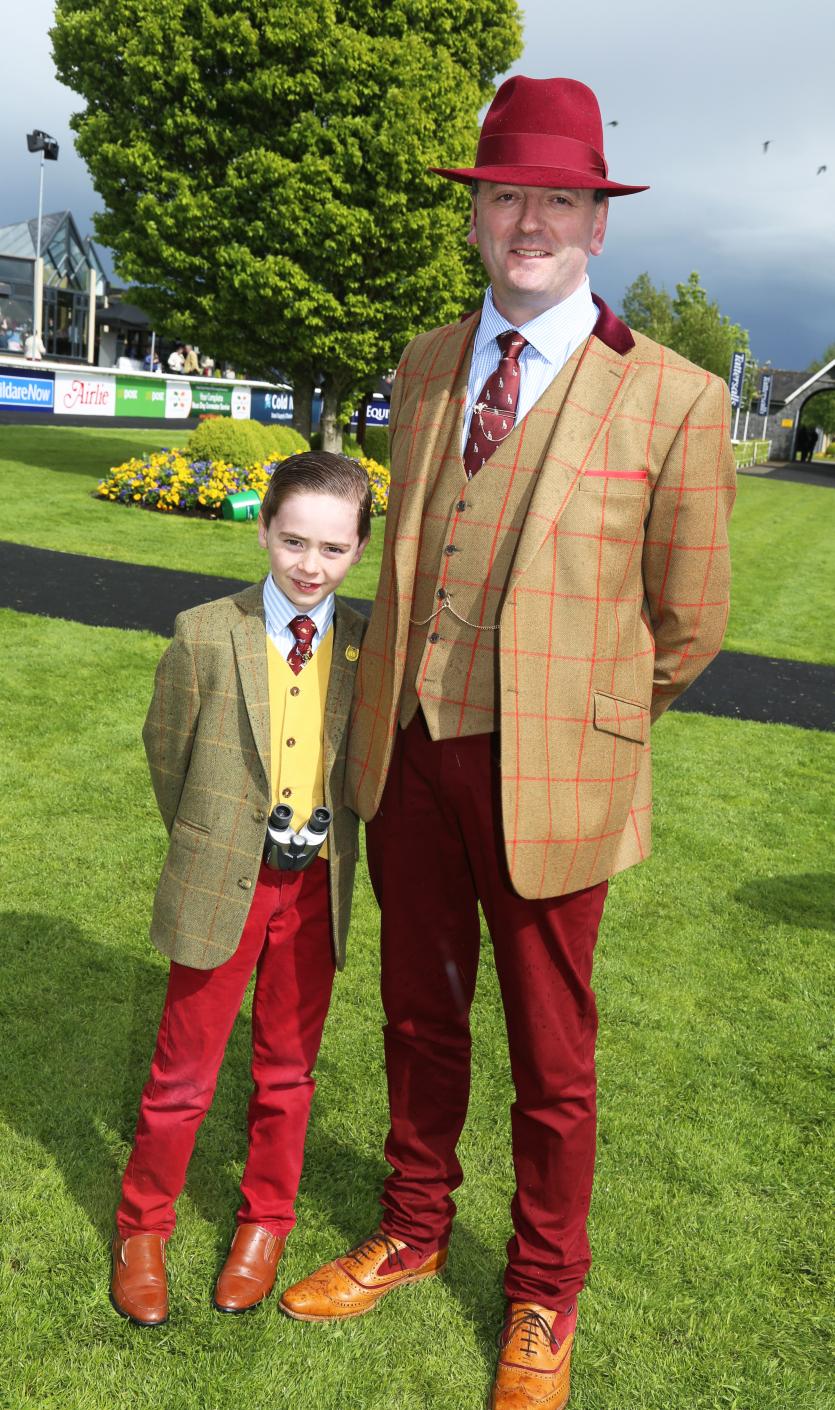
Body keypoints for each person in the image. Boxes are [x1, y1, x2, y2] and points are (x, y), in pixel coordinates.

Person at [280, 76, 736, 1409]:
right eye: (503, 196)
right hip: (406, 750)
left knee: (552, 1051)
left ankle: (542, 1290)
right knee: (417, 1016)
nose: (526, 219)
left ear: (596, 221)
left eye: (555, 199)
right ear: (472, 215)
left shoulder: (672, 396)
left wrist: (587, 726)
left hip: (555, 778)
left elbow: (688, 622)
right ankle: (411, 1229)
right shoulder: (424, 364)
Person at [110, 452, 370, 1327]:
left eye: (331, 548)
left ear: (358, 552)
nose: (308, 564)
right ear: (262, 530)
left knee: (287, 1072)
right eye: (292, 540)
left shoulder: (370, 647)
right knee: (181, 1073)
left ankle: (265, 1223)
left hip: (316, 888)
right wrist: (211, 840)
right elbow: (167, 756)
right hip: (223, 877)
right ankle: (142, 1228)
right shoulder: (202, 632)